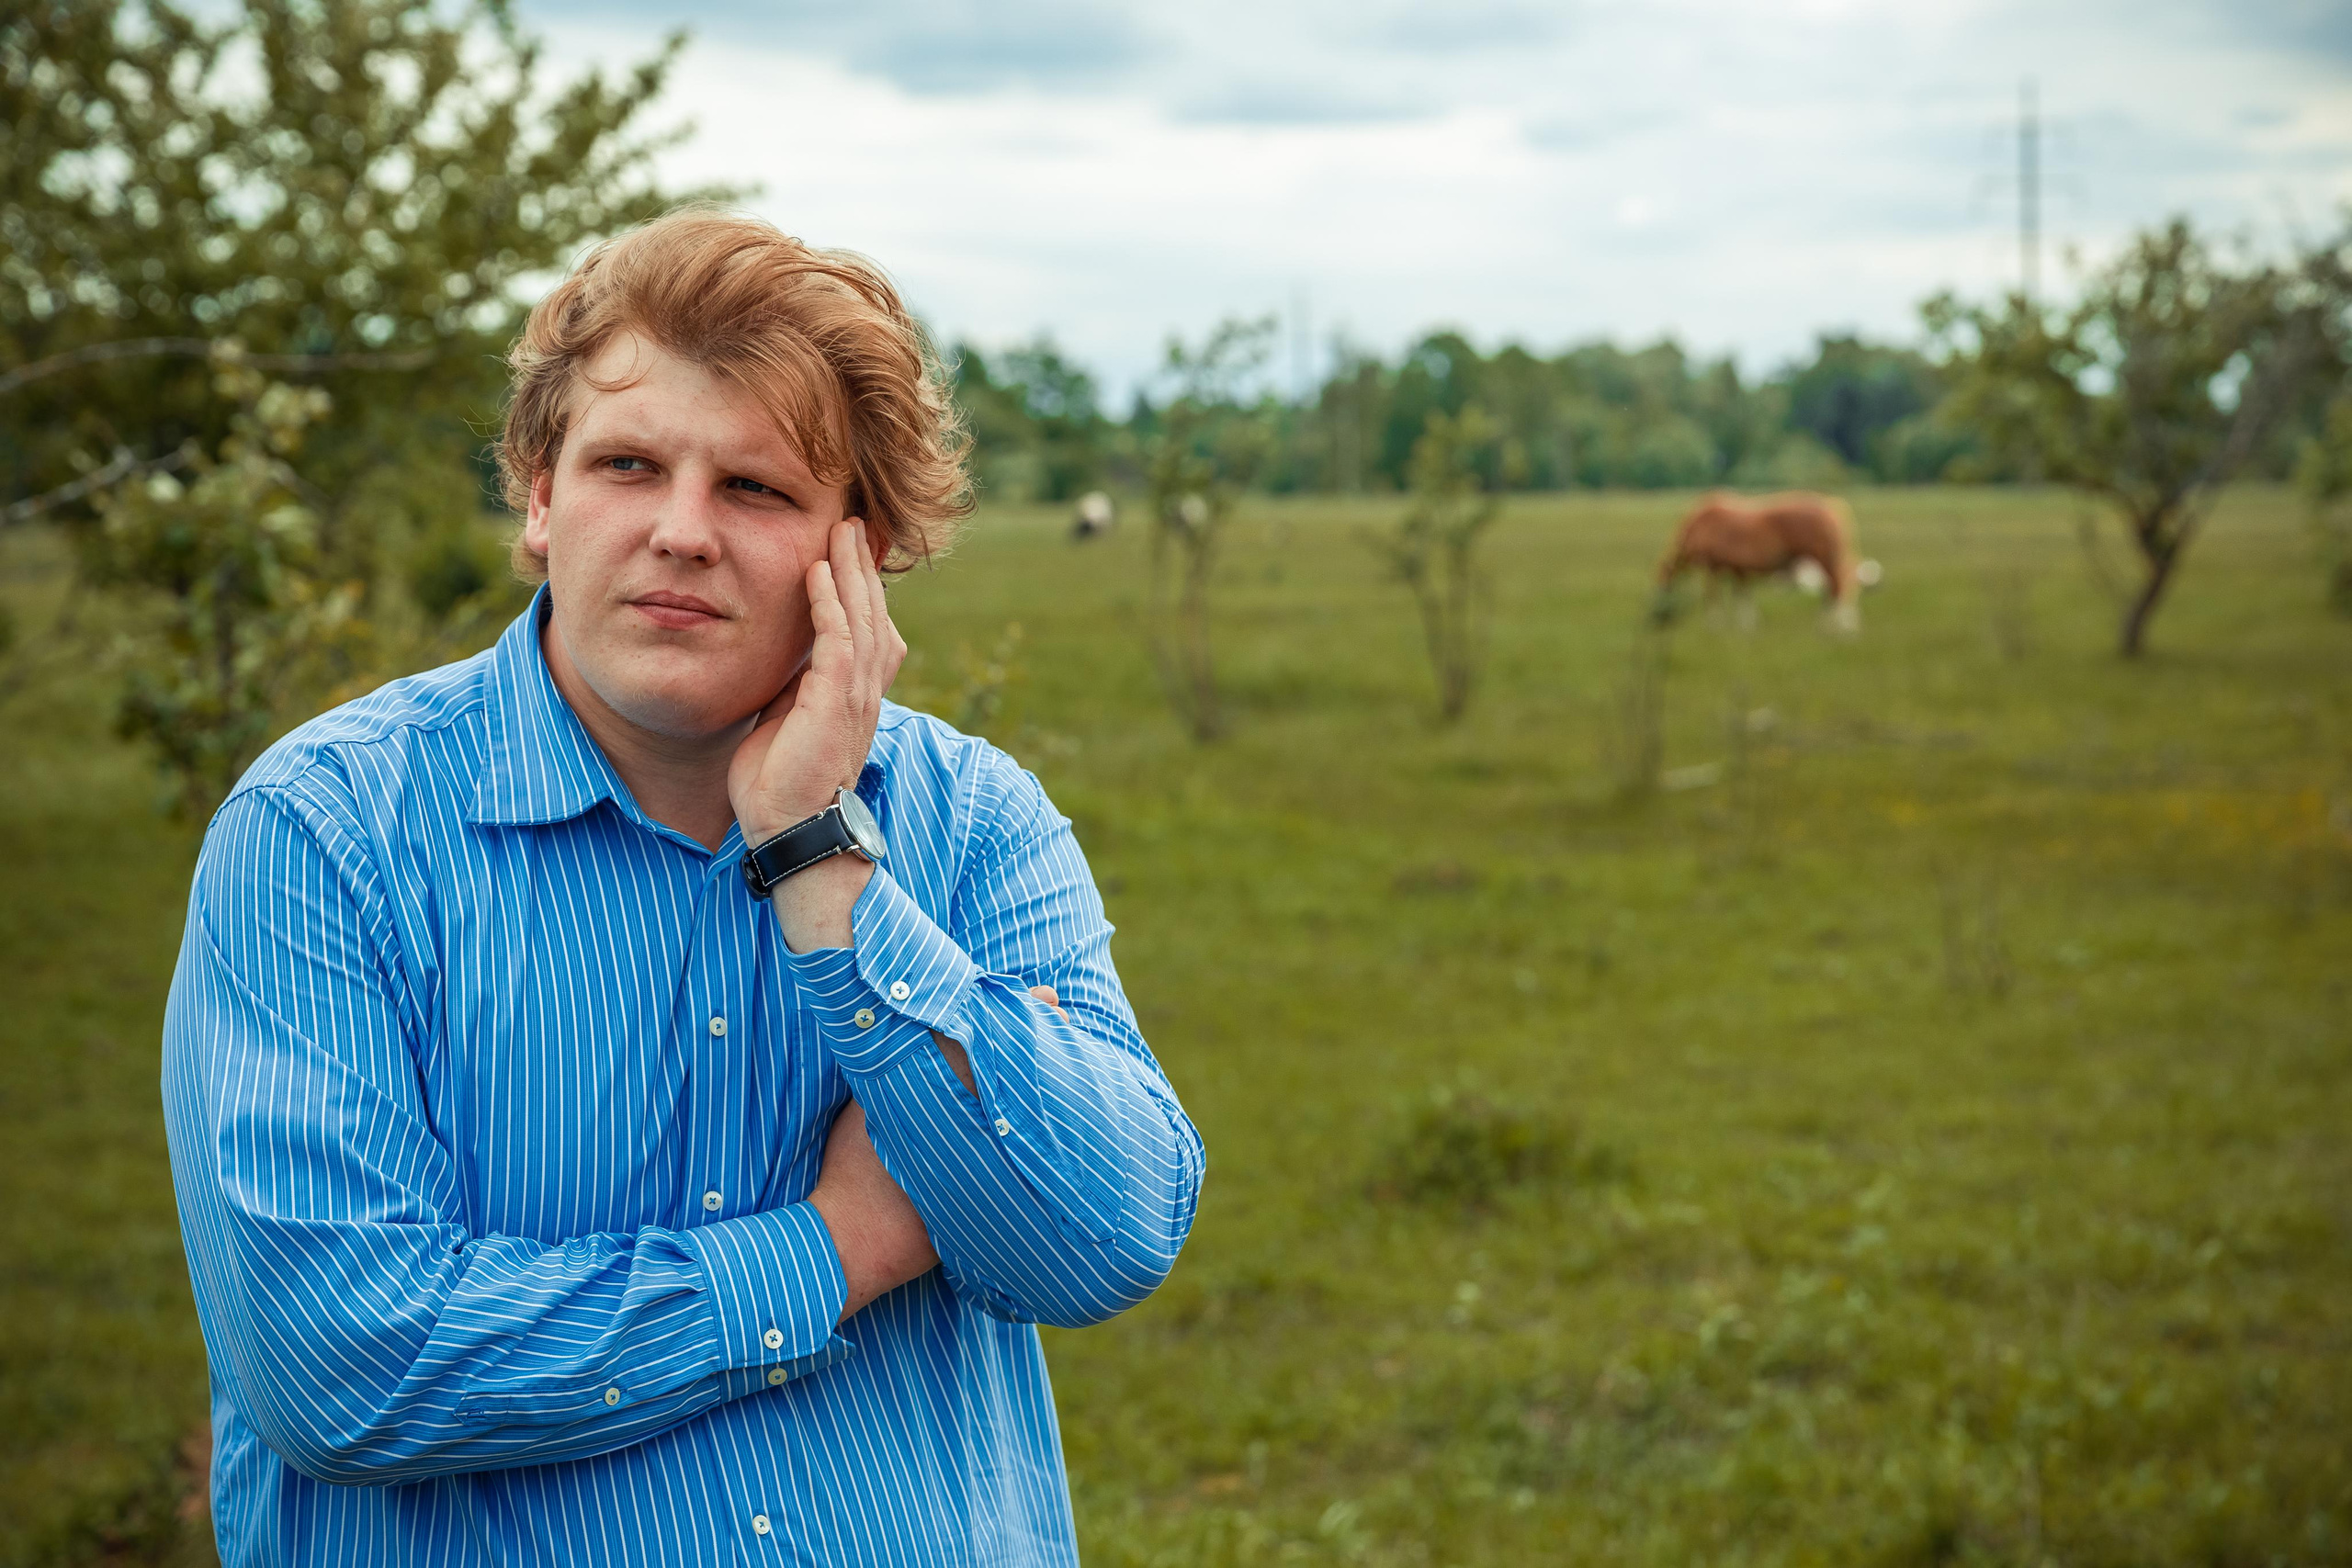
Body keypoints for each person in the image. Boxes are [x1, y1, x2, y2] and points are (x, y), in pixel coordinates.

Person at [161, 208, 1205, 1566]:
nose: (680, 532)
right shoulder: (321, 836)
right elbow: (338, 1360)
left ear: (860, 548)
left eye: (756, 490)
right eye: (628, 465)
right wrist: (830, 1253)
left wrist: (823, 869)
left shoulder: (969, 821)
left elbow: (1104, 1241)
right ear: (542, 497)